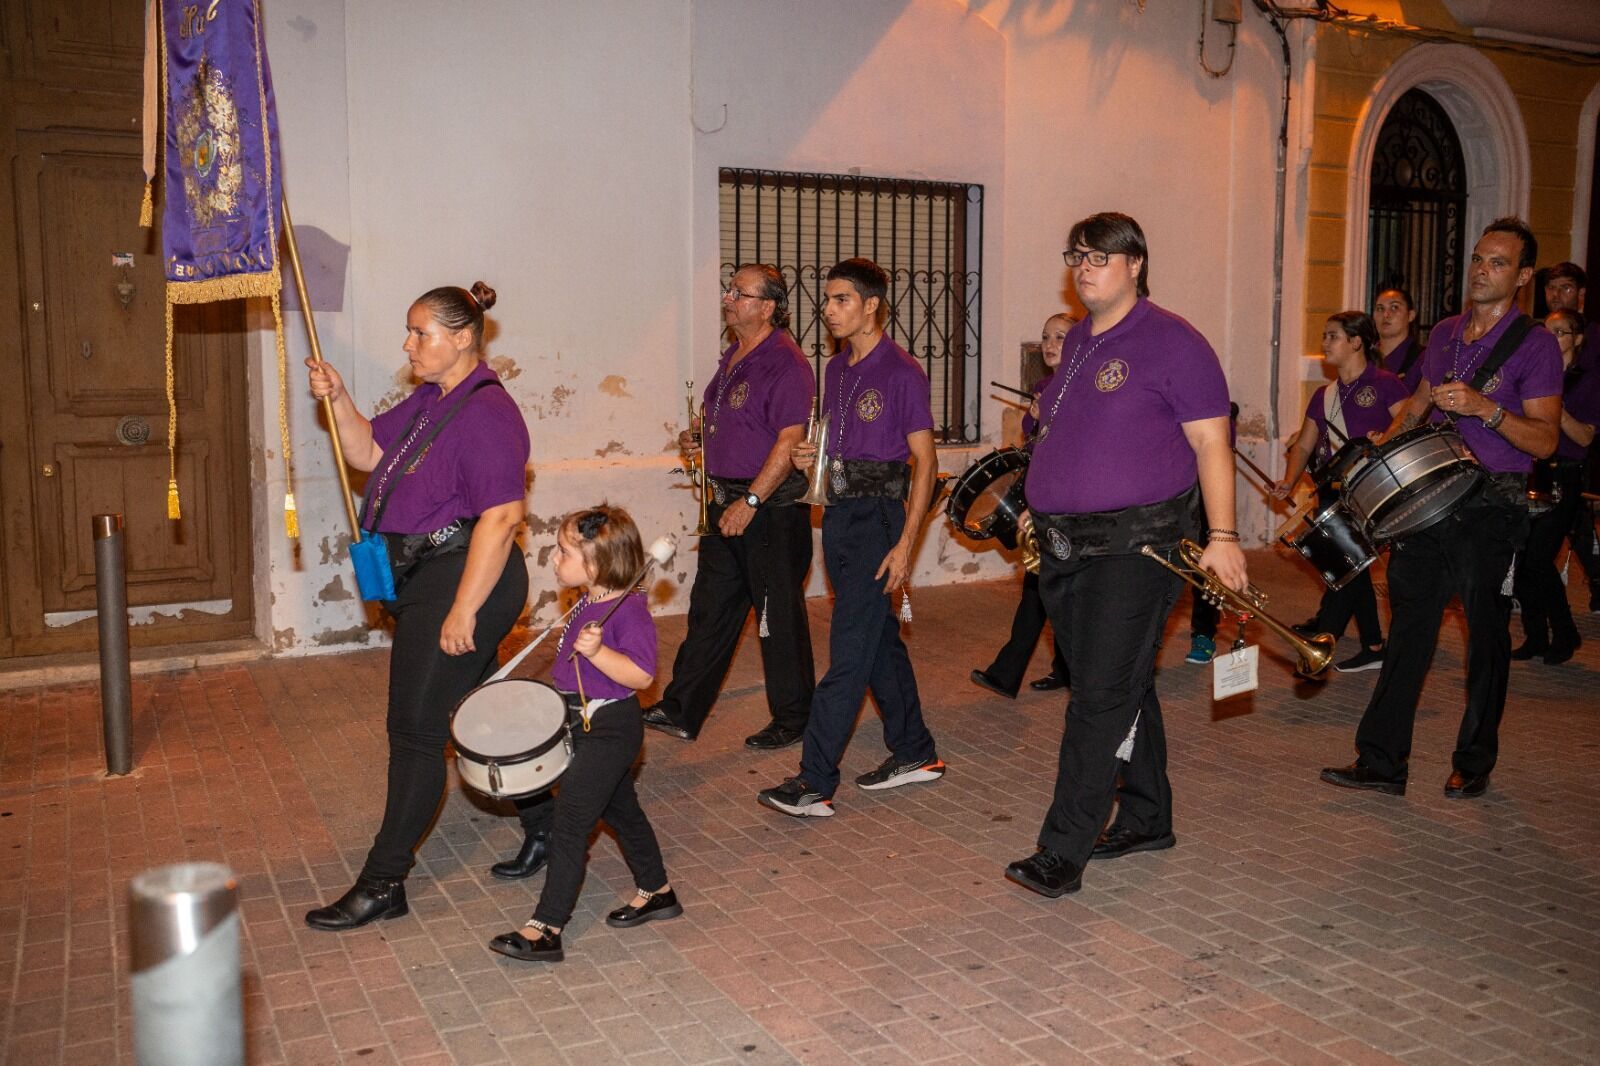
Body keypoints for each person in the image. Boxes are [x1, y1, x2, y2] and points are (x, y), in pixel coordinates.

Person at [1003, 213, 1246, 898]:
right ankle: (1146, 816)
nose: (1085, 268)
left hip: (1138, 546)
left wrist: (1224, 538)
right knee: (1120, 682)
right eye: (1077, 256)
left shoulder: (1174, 341)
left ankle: (1063, 849)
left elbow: (1212, 443)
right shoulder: (1080, 340)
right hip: (1066, 547)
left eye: (1100, 256)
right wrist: (1041, 498)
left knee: (1100, 695)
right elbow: (1066, 434)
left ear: (1135, 263)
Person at [304, 283, 530, 930]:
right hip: (427, 574)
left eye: (419, 333)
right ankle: (550, 824)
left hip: (464, 576)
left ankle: (384, 882)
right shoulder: (432, 399)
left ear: (461, 338)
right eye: (409, 331)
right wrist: (338, 398)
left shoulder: (488, 413)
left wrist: (464, 610)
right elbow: (367, 454)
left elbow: (503, 517)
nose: (408, 345)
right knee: (483, 714)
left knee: (414, 732)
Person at [1321, 217, 1562, 800]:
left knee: (1485, 636)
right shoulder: (1448, 333)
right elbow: (1416, 407)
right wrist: (1379, 449)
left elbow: (1546, 440)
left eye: (1498, 262)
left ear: (1523, 276)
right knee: (1409, 628)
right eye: (1478, 258)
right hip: (1430, 500)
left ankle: (1473, 761)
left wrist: (1486, 409)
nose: (1482, 270)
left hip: (1492, 505)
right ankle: (1382, 761)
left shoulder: (1535, 345)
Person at [757, 258, 944, 817]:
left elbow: (926, 462)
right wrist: (808, 457)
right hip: (839, 518)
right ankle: (914, 751)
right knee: (877, 640)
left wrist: (905, 544)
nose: (829, 310)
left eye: (841, 300)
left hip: (878, 522)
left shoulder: (902, 372)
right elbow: (841, 446)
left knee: (848, 655)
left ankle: (814, 782)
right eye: (827, 299)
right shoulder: (837, 368)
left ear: (872, 305)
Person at [488, 506, 679, 963]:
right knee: (622, 812)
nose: (554, 558)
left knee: (570, 821)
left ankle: (546, 928)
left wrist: (597, 654)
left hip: (610, 728)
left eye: (563, 551)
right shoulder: (591, 601)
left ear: (595, 563)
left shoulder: (628, 611)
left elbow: (641, 676)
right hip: (581, 722)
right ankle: (657, 891)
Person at [639, 264, 817, 750]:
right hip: (725, 503)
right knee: (711, 610)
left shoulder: (786, 363)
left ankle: (794, 717)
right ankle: (682, 709)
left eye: (740, 293)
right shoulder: (735, 355)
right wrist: (699, 439)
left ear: (768, 306)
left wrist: (751, 500)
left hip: (768, 510)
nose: (728, 299)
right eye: (729, 290)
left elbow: (789, 441)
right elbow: (732, 422)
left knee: (776, 617)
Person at [1271, 312, 1410, 673]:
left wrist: (1386, 438)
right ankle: (1372, 645)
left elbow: (1409, 423)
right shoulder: (1323, 396)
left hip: (1369, 490)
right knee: (1351, 566)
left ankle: (1329, 640)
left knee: (1347, 565)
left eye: (1332, 336)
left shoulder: (1385, 384)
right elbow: (1304, 444)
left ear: (1356, 342)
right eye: (1324, 336)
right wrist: (1289, 479)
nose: (1324, 343)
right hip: (1332, 491)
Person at [970, 313, 1073, 698]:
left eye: (1060, 337)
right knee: (1042, 586)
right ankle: (1038, 671)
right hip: (1044, 498)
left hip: (1070, 502)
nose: (1050, 344)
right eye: (1045, 337)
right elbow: (1033, 445)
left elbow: (1074, 444)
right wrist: (1035, 417)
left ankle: (1019, 672)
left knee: (1049, 588)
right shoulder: (1044, 387)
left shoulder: (1081, 386)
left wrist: (1048, 417)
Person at [1511, 309, 1598, 663]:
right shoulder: (1533, 373)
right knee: (1521, 557)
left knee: (1538, 558)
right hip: (1531, 471)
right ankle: (1535, 635)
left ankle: (1565, 631)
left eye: (1560, 332)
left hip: (1566, 474)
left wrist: (1552, 406)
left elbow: (1585, 437)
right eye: (1546, 331)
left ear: (1577, 339)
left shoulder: (1588, 380)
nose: (1551, 337)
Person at [1542, 262, 1600, 611]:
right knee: (1570, 518)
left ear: (1580, 294)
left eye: (1565, 287)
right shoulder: (1540, 333)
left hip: (1581, 434)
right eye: (1551, 288)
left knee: (1574, 514)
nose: (1556, 295)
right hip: (1548, 444)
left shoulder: (1593, 338)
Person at [1374, 286, 1424, 391]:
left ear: (1411, 315)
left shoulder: (1423, 359)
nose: (1386, 315)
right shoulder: (1363, 356)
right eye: (1380, 309)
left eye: (1394, 307)